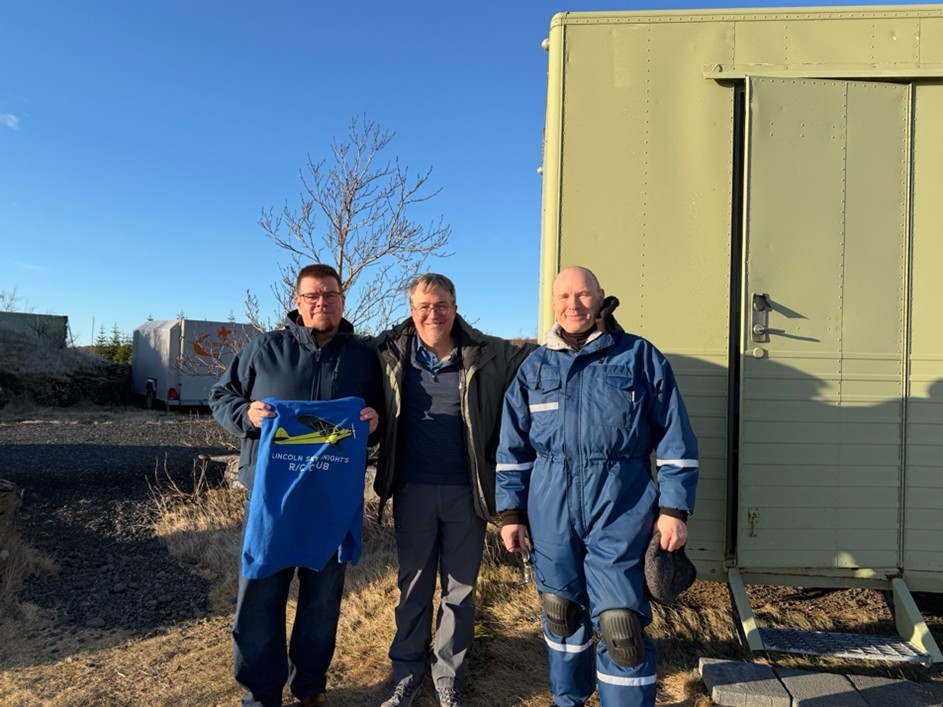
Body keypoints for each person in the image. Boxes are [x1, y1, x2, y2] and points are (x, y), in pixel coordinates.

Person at [496, 265, 698, 707]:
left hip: (621, 505)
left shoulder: (639, 357)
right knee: (562, 615)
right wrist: (510, 513)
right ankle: (568, 700)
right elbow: (513, 448)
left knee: (621, 626)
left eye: (583, 295)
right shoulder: (535, 366)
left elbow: (675, 440)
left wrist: (674, 509)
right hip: (550, 507)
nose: (574, 305)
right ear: (553, 302)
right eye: (564, 296)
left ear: (601, 297)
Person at [209, 263, 384, 707]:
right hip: (272, 503)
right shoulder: (264, 349)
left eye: (329, 295)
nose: (320, 303)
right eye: (311, 296)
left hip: (332, 502)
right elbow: (221, 397)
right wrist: (246, 415)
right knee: (260, 599)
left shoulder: (364, 357)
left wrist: (374, 423)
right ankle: (261, 693)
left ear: (342, 300)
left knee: (321, 604)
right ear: (297, 301)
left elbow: (381, 416)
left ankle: (310, 687)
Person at [372, 273, 534, 707]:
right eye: (423, 306)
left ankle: (448, 677)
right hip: (413, 491)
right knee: (413, 589)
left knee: (460, 591)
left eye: (441, 305)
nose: (433, 314)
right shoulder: (389, 354)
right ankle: (406, 674)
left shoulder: (488, 354)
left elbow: (539, 354)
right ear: (411, 310)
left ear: (455, 307)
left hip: (468, 492)